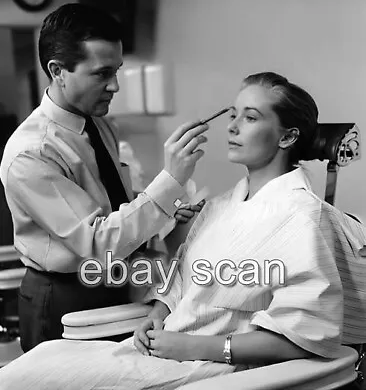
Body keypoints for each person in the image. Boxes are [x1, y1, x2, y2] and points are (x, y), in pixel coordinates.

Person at [0, 71, 365, 390]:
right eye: (233, 114)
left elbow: (309, 334)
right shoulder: (219, 206)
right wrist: (156, 314)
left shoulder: (302, 216)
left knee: (22, 381)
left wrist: (199, 348)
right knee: (41, 359)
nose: (233, 126)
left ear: (287, 138)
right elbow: (180, 283)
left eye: (250, 117)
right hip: (167, 349)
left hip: (213, 367)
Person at [0, 3, 208, 353]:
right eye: (101, 73)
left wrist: (169, 207)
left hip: (114, 283)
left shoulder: (98, 124)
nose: (115, 86)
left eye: (118, 72)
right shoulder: (31, 153)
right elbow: (99, 243)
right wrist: (170, 180)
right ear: (57, 71)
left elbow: (112, 204)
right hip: (65, 296)